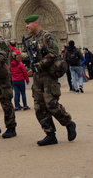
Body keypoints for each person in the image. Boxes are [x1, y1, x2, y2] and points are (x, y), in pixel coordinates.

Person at [23, 15, 76, 146]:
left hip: (48, 76)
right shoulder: (31, 39)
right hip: (37, 77)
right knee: (39, 107)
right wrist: (21, 57)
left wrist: (39, 65)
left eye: (28, 23)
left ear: (36, 23)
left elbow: (53, 53)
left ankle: (69, 123)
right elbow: (31, 57)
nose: (26, 26)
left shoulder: (47, 36)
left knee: (51, 104)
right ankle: (50, 134)